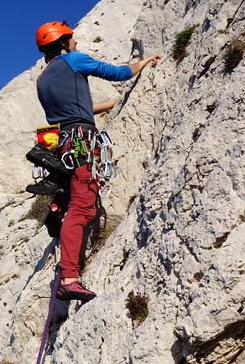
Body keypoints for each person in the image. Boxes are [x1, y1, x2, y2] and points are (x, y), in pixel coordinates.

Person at [34, 21, 160, 302]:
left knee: (74, 202)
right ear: (63, 43)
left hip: (62, 144)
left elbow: (78, 108)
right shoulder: (74, 60)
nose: (76, 42)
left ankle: (58, 212)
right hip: (81, 141)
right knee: (83, 208)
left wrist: (112, 104)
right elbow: (118, 72)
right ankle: (69, 278)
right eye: (72, 38)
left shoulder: (43, 80)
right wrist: (144, 62)